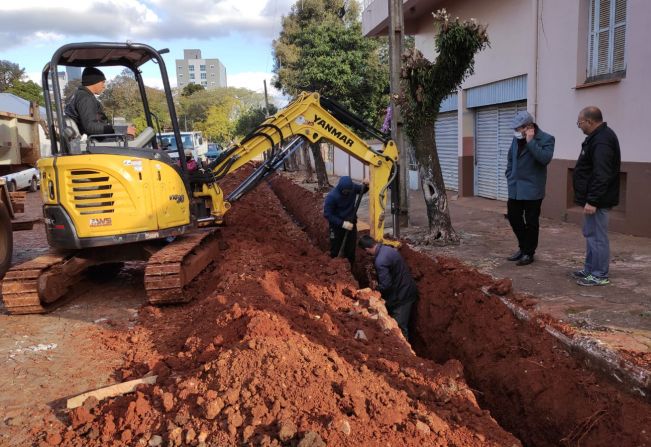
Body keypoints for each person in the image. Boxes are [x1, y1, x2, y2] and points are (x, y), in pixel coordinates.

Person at [571, 107, 621, 286]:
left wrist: (593, 200)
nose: (579, 126)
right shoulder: (597, 137)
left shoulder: (602, 141)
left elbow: (602, 173)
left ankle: (599, 275)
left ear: (590, 121)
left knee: (597, 237)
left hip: (598, 200)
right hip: (593, 198)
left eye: (580, 122)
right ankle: (590, 269)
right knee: (590, 234)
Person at [504, 111, 555, 266]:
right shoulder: (516, 139)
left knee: (531, 222)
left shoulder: (546, 139)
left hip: (533, 189)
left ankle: (529, 253)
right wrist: (509, 174)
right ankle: (523, 247)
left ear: (528, 127)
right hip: (515, 187)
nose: (516, 132)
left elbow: (545, 159)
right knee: (514, 218)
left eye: (518, 128)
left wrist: (531, 141)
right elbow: (510, 158)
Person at [358, 235, 418, 341]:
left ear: (367, 249)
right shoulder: (388, 249)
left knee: (399, 327)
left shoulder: (380, 261)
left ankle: (404, 352)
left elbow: (386, 285)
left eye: (365, 251)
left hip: (402, 297)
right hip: (406, 288)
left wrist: (375, 290)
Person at [323, 176, 367, 264]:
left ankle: (350, 268)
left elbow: (362, 190)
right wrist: (342, 223)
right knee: (336, 248)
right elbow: (327, 214)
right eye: (345, 191)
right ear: (340, 188)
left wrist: (366, 185)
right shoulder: (332, 197)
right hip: (337, 227)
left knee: (350, 248)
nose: (347, 193)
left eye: (348, 191)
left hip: (351, 224)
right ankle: (336, 267)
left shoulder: (352, 188)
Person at [64, 67, 114, 137]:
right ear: (94, 82)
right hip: (93, 141)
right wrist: (115, 129)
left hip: (92, 139)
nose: (104, 86)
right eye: (102, 82)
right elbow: (90, 127)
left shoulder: (80, 94)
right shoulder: (85, 98)